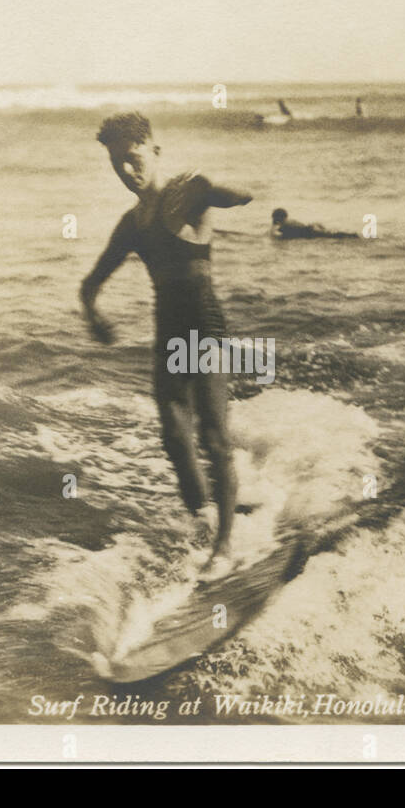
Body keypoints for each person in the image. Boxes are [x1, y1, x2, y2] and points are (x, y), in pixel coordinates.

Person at [79, 113, 253, 569]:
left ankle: (226, 549)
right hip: (170, 334)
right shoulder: (132, 223)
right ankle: (206, 523)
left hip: (205, 327)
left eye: (133, 159)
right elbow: (92, 280)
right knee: (176, 440)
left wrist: (223, 193)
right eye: (117, 163)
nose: (126, 171)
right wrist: (93, 312)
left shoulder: (186, 194)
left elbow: (231, 195)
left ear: (155, 152)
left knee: (214, 440)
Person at [270, 208, 356, 240]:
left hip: (309, 232)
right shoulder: (291, 221)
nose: (273, 219)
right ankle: (351, 235)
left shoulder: (284, 226)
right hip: (311, 228)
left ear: (278, 218)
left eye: (274, 217)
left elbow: (276, 235)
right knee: (331, 235)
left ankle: (352, 236)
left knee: (331, 236)